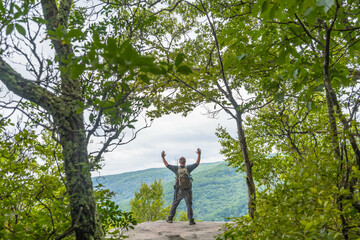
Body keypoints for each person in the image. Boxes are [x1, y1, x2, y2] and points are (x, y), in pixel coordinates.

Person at [161, 148, 201, 225]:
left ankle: (170, 218)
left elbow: (167, 165)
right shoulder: (188, 168)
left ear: (179, 162)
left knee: (175, 204)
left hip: (179, 190)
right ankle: (191, 220)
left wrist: (163, 157)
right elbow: (197, 163)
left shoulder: (176, 169)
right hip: (188, 190)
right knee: (189, 205)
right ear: (185, 162)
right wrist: (199, 154)